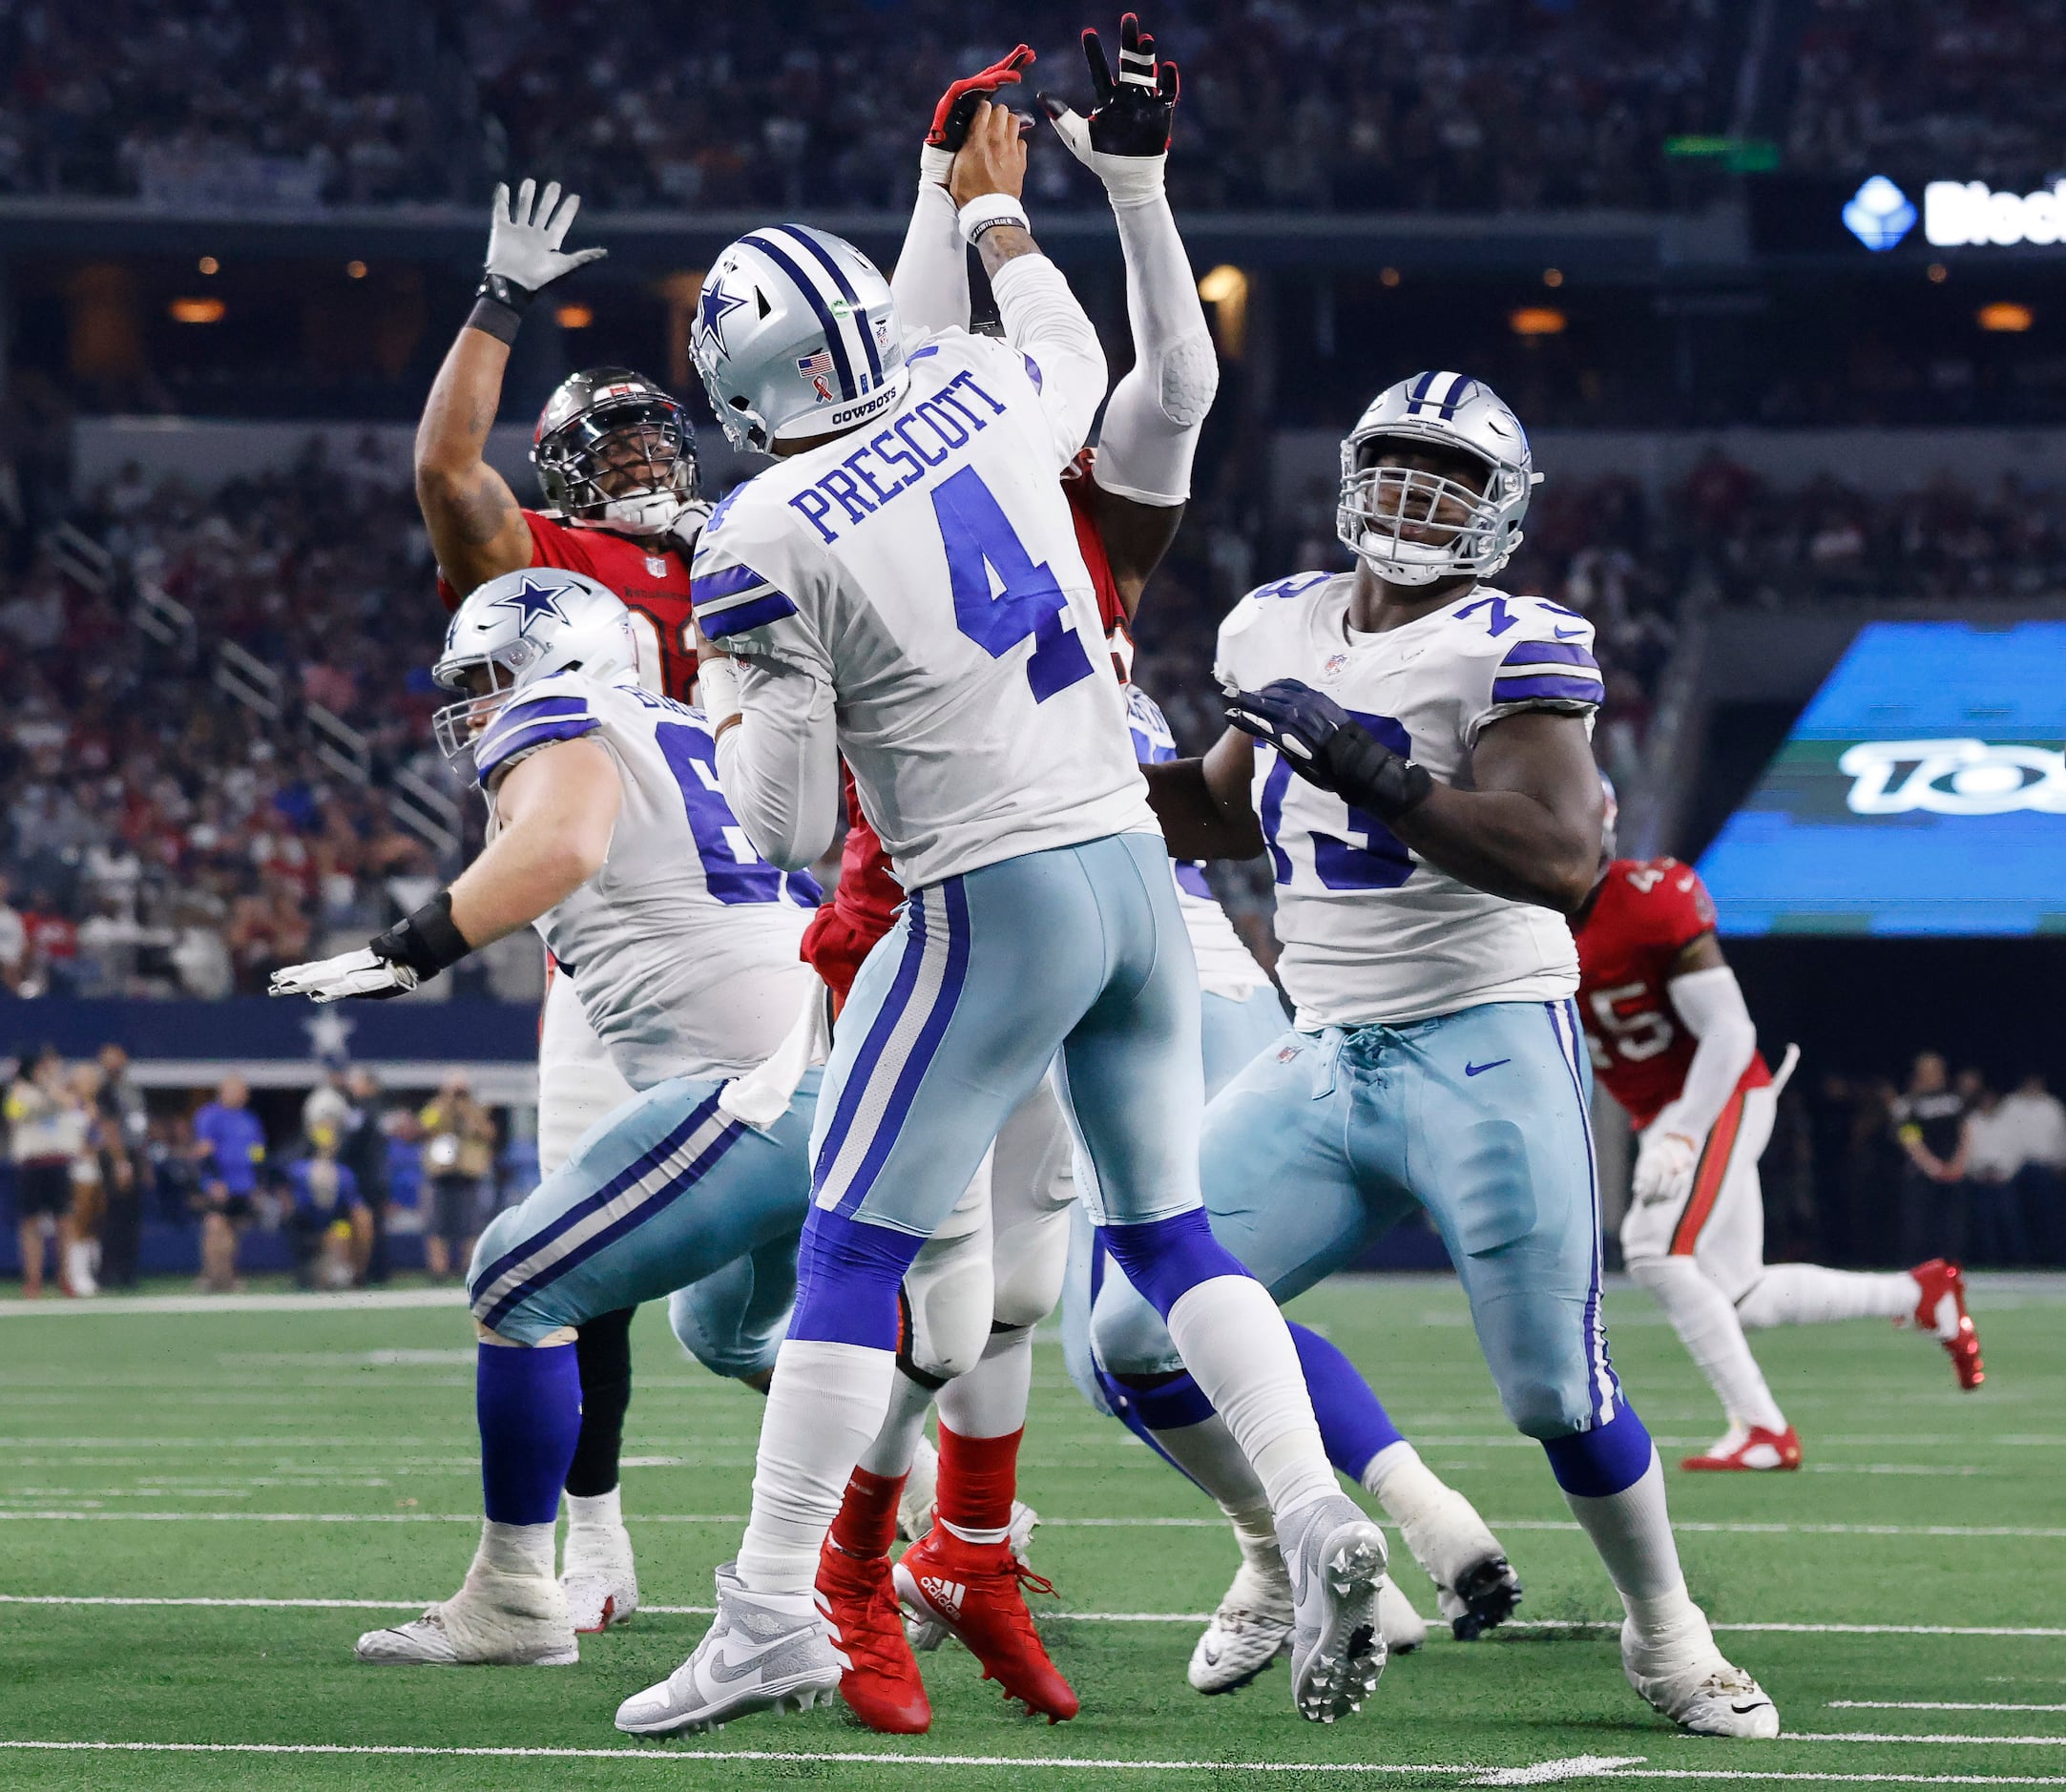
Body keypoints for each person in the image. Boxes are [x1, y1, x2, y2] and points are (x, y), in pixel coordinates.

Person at [620, 97, 1382, 1740]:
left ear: (749, 386)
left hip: (994, 889)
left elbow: (791, 827)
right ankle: (1313, 1513)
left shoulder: (757, 531)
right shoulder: (976, 383)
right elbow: (1078, 351)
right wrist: (994, 215)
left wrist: (728, 688)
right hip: (1134, 866)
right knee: (1169, 1232)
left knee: (850, 1247)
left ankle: (766, 1610)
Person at [810, 27, 1502, 1734]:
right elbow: (936, 371)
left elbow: (1155, 387)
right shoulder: (926, 467)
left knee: (1040, 1282)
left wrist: (1063, 196)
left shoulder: (1021, 487)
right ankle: (968, 1552)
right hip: (1052, 892)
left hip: (1013, 895)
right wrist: (982, 195)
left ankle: (855, 1575)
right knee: (1012, 1297)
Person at [1104, 369, 1778, 1737]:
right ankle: (1274, 1543)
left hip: (1481, 1044)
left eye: (1449, 481)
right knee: (1133, 1335)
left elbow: (1564, 859)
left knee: (1549, 1386)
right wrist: (1051, 779)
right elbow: (1227, 817)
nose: (1414, 499)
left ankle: (1668, 1633)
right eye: (1399, 469)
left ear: (1500, 512)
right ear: (1353, 476)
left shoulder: (1515, 641)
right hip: (1324, 1047)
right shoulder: (1275, 619)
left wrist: (1386, 773)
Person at [272, 569, 822, 1668]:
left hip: (759, 1084)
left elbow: (563, 841)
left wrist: (407, 951)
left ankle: (516, 1594)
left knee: (516, 1278)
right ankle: (907, 1525)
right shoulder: (688, 732)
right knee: (727, 1330)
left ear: (548, 660)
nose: (476, 707)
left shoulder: (558, 714)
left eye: (484, 678)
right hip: (833, 1064)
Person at [416, 175, 715, 1630]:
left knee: (871, 1241)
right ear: (571, 473)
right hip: (606, 962)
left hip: (772, 930)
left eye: (664, 433)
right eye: (620, 441)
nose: (653, 457)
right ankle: (590, 1540)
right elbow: (445, 472)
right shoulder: (554, 569)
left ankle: (917, 1504)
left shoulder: (759, 553)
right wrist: (496, 303)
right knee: (579, 1256)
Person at [1576, 781, 1982, 1474]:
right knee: (1741, 1294)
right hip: (1662, 1113)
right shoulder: (1514, 917)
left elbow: (1731, 1032)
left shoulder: (1647, 895)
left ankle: (1761, 1426)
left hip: (1718, 1092)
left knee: (1651, 1248)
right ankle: (1919, 1293)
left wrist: (1680, 1132)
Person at [8, 1044, 78, 1298]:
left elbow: (70, 1104)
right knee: (30, 1223)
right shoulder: (17, 1092)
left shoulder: (56, 1090)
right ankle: (33, 1279)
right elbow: (17, 1115)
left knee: (64, 1222)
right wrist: (48, 1099)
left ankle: (66, 1277)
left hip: (57, 1162)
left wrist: (52, 1089)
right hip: (32, 1164)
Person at [189, 1075, 265, 1293]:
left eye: (241, 1090)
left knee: (233, 1232)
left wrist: (258, 1182)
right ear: (222, 1091)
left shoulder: (250, 1120)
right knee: (215, 1225)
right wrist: (214, 1181)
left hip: (244, 1185)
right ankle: (211, 1276)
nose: (239, 1095)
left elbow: (257, 1152)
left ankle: (228, 1276)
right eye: (233, 1090)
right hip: (219, 1184)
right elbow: (204, 1150)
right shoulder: (210, 1116)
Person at [1890, 1052, 1969, 1263]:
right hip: (1921, 1174)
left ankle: (1950, 1273)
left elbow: (1964, 1131)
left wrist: (1958, 1162)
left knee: (1951, 1229)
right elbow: (1909, 1136)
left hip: (1953, 1171)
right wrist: (1931, 1166)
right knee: (1919, 1228)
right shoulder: (1907, 1103)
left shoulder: (1953, 1100)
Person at [418, 1074, 496, 1281]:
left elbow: (488, 1133)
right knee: (437, 1225)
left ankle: (468, 1268)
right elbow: (424, 1126)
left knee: (470, 1226)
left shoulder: (475, 1110)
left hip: (467, 1176)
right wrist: (445, 1102)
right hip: (440, 1175)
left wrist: (467, 1110)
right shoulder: (436, 1108)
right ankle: (438, 1270)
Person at [283, 1122, 369, 1290]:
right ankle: (329, 1273)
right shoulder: (297, 1170)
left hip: (334, 1226)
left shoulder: (343, 1173)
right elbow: (290, 1202)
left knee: (341, 1231)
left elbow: (356, 1207)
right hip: (305, 1228)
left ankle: (351, 1274)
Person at [94, 1044, 149, 1292]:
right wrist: (120, 1162)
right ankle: (108, 1273)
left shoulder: (133, 1089)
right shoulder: (105, 1090)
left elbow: (140, 1126)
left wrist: (143, 1163)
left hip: (134, 1154)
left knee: (132, 1217)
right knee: (114, 1216)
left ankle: (128, 1272)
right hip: (117, 1156)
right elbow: (109, 1126)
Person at [1998, 1073, 2066, 1265]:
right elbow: (2002, 1136)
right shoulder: (2010, 1105)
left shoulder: (2052, 1106)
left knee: (2049, 1218)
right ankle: (2021, 1260)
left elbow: (2061, 1137)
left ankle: (2052, 1259)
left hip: (2045, 1168)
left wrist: (2061, 1164)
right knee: (2017, 1219)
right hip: (2015, 1170)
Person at [339, 1067, 392, 1285]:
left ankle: (367, 1270)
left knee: (365, 1226)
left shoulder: (361, 1110)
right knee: (377, 1226)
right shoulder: (380, 1110)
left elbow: (352, 1143)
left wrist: (338, 1157)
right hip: (378, 1175)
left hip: (364, 1176)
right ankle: (380, 1271)